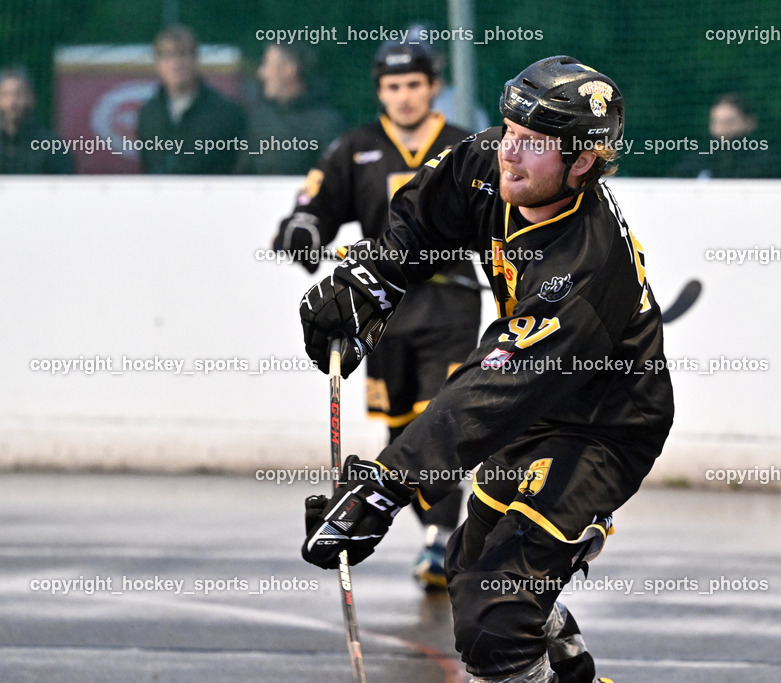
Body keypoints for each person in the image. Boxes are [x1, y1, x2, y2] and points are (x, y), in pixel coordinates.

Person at [298, 55, 673, 683]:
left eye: (535, 144)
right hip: (531, 406)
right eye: (509, 131)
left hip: (603, 425)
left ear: (584, 161)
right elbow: (421, 218)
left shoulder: (584, 263)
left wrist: (386, 484)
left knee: (496, 622)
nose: (510, 153)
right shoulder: (488, 161)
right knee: (471, 578)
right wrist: (372, 281)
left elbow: (495, 386)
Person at [273, 41, 479, 590]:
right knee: (399, 427)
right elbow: (314, 205)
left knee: (443, 416)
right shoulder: (355, 147)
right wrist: (303, 227)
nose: (404, 97)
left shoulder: (467, 147)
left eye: (414, 84)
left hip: (452, 303)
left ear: (434, 86)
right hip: (380, 308)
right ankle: (440, 536)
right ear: (378, 91)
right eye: (392, 87)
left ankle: (440, 541)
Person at [136, 25, 246, 174]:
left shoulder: (227, 113)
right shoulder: (148, 114)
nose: (176, 64)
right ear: (158, 64)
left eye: (182, 54)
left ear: (196, 59)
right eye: (167, 55)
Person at [239, 43, 344, 175]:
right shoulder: (261, 120)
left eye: (267, 64)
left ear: (289, 69)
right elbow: (241, 178)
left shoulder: (327, 124)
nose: (262, 74)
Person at [673, 92, 781, 178]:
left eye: (729, 122)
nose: (722, 128)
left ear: (750, 123)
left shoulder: (764, 161)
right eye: (716, 122)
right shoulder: (699, 160)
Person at [0, 66, 74, 174]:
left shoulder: (51, 145)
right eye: (5, 95)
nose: (12, 103)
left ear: (31, 98)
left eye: (18, 95)